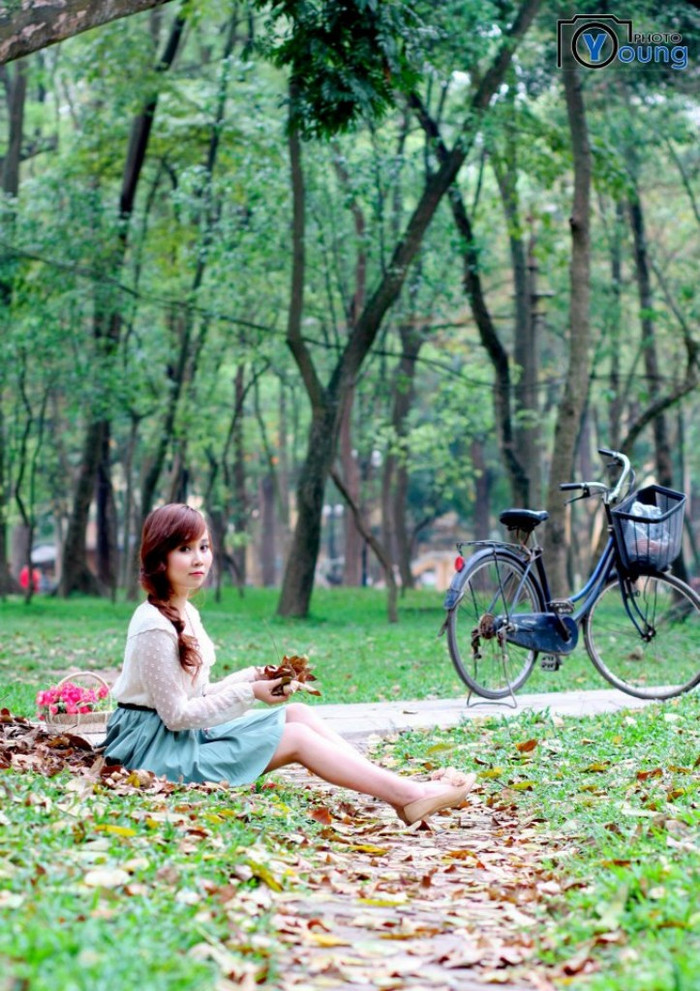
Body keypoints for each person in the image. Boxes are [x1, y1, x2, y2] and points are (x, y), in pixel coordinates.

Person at [103, 504, 474, 825]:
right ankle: (410, 795)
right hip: (155, 753)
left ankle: (399, 790)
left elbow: (197, 694)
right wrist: (250, 693)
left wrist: (253, 677)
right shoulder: (154, 624)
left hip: (178, 739)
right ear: (160, 557)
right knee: (295, 738)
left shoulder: (185, 611)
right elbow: (177, 716)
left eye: (204, 546)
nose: (199, 558)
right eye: (184, 549)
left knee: (297, 714)